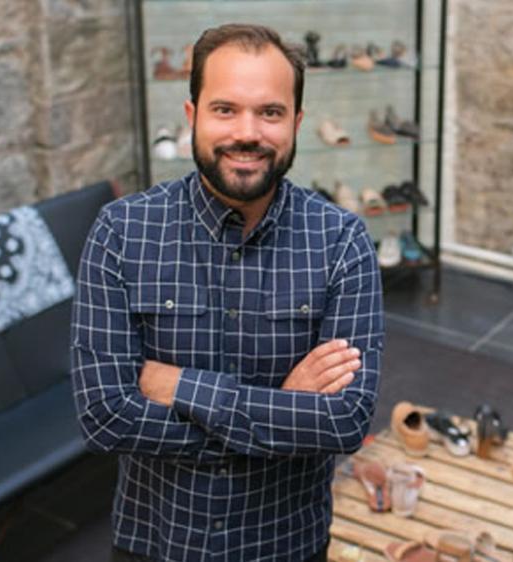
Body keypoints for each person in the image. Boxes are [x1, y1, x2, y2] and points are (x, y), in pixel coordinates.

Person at [70, 23, 383, 562]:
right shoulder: (121, 232)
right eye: (224, 109)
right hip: (157, 542)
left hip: (285, 546)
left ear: (297, 123)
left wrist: (179, 386)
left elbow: (345, 421)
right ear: (193, 117)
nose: (247, 132)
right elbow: (103, 416)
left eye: (270, 112)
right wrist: (284, 409)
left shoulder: (342, 241)